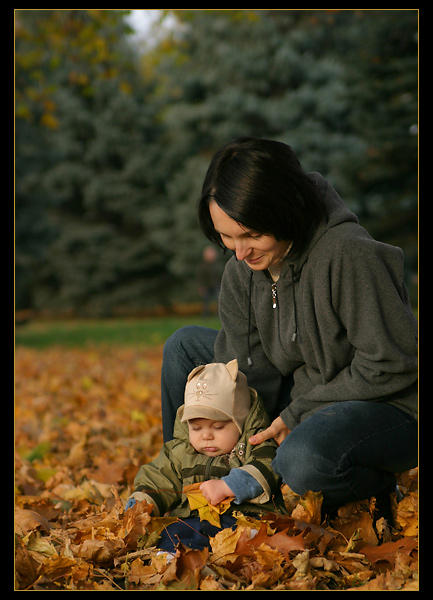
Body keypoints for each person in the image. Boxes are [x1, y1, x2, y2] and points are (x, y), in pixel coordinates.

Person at [161, 136, 418, 521]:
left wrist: (296, 416)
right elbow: (253, 372)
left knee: (303, 458)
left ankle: (374, 488)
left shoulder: (349, 255)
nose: (240, 252)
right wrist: (245, 443)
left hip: (383, 406)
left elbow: (392, 363)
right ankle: (189, 472)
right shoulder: (242, 271)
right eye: (226, 236)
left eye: (251, 235)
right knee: (184, 347)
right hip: (301, 394)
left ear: (285, 211)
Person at [126, 359, 285, 552]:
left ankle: (242, 553)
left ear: (241, 422)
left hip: (245, 518)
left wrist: (229, 486)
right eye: (196, 427)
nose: (206, 435)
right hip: (195, 521)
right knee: (172, 532)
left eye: (218, 427)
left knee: (250, 534)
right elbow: (158, 478)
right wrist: (142, 504)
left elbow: (268, 468)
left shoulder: (255, 442)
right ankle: (174, 560)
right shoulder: (180, 452)